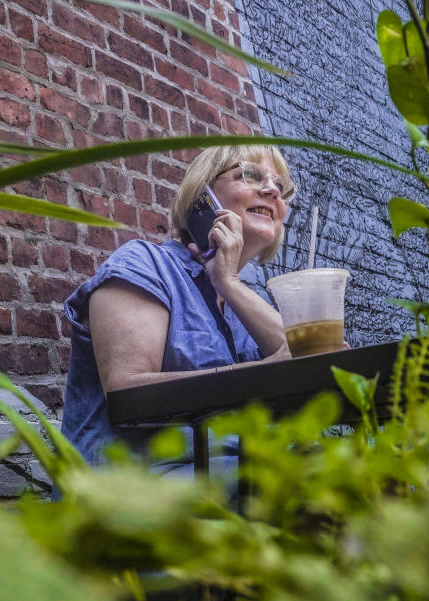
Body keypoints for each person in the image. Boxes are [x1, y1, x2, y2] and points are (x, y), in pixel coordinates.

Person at [61, 144, 296, 469]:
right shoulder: (144, 264)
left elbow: (303, 365)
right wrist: (261, 375)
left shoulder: (244, 303)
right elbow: (126, 395)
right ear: (203, 197)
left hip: (238, 482)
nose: (272, 190)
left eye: (280, 187)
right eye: (251, 174)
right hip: (140, 494)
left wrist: (229, 282)